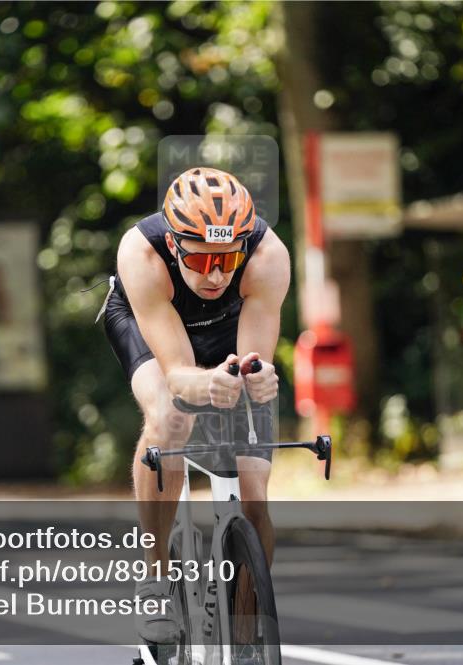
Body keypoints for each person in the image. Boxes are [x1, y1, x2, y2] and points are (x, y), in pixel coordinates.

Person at [100, 167, 290, 643]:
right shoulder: (140, 253)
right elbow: (180, 374)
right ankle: (157, 577)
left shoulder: (269, 256)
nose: (217, 274)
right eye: (202, 261)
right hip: (152, 325)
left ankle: (246, 623)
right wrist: (206, 388)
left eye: (227, 260)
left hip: (227, 326)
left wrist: (258, 377)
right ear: (174, 247)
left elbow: (253, 362)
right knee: (169, 416)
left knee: (254, 487)